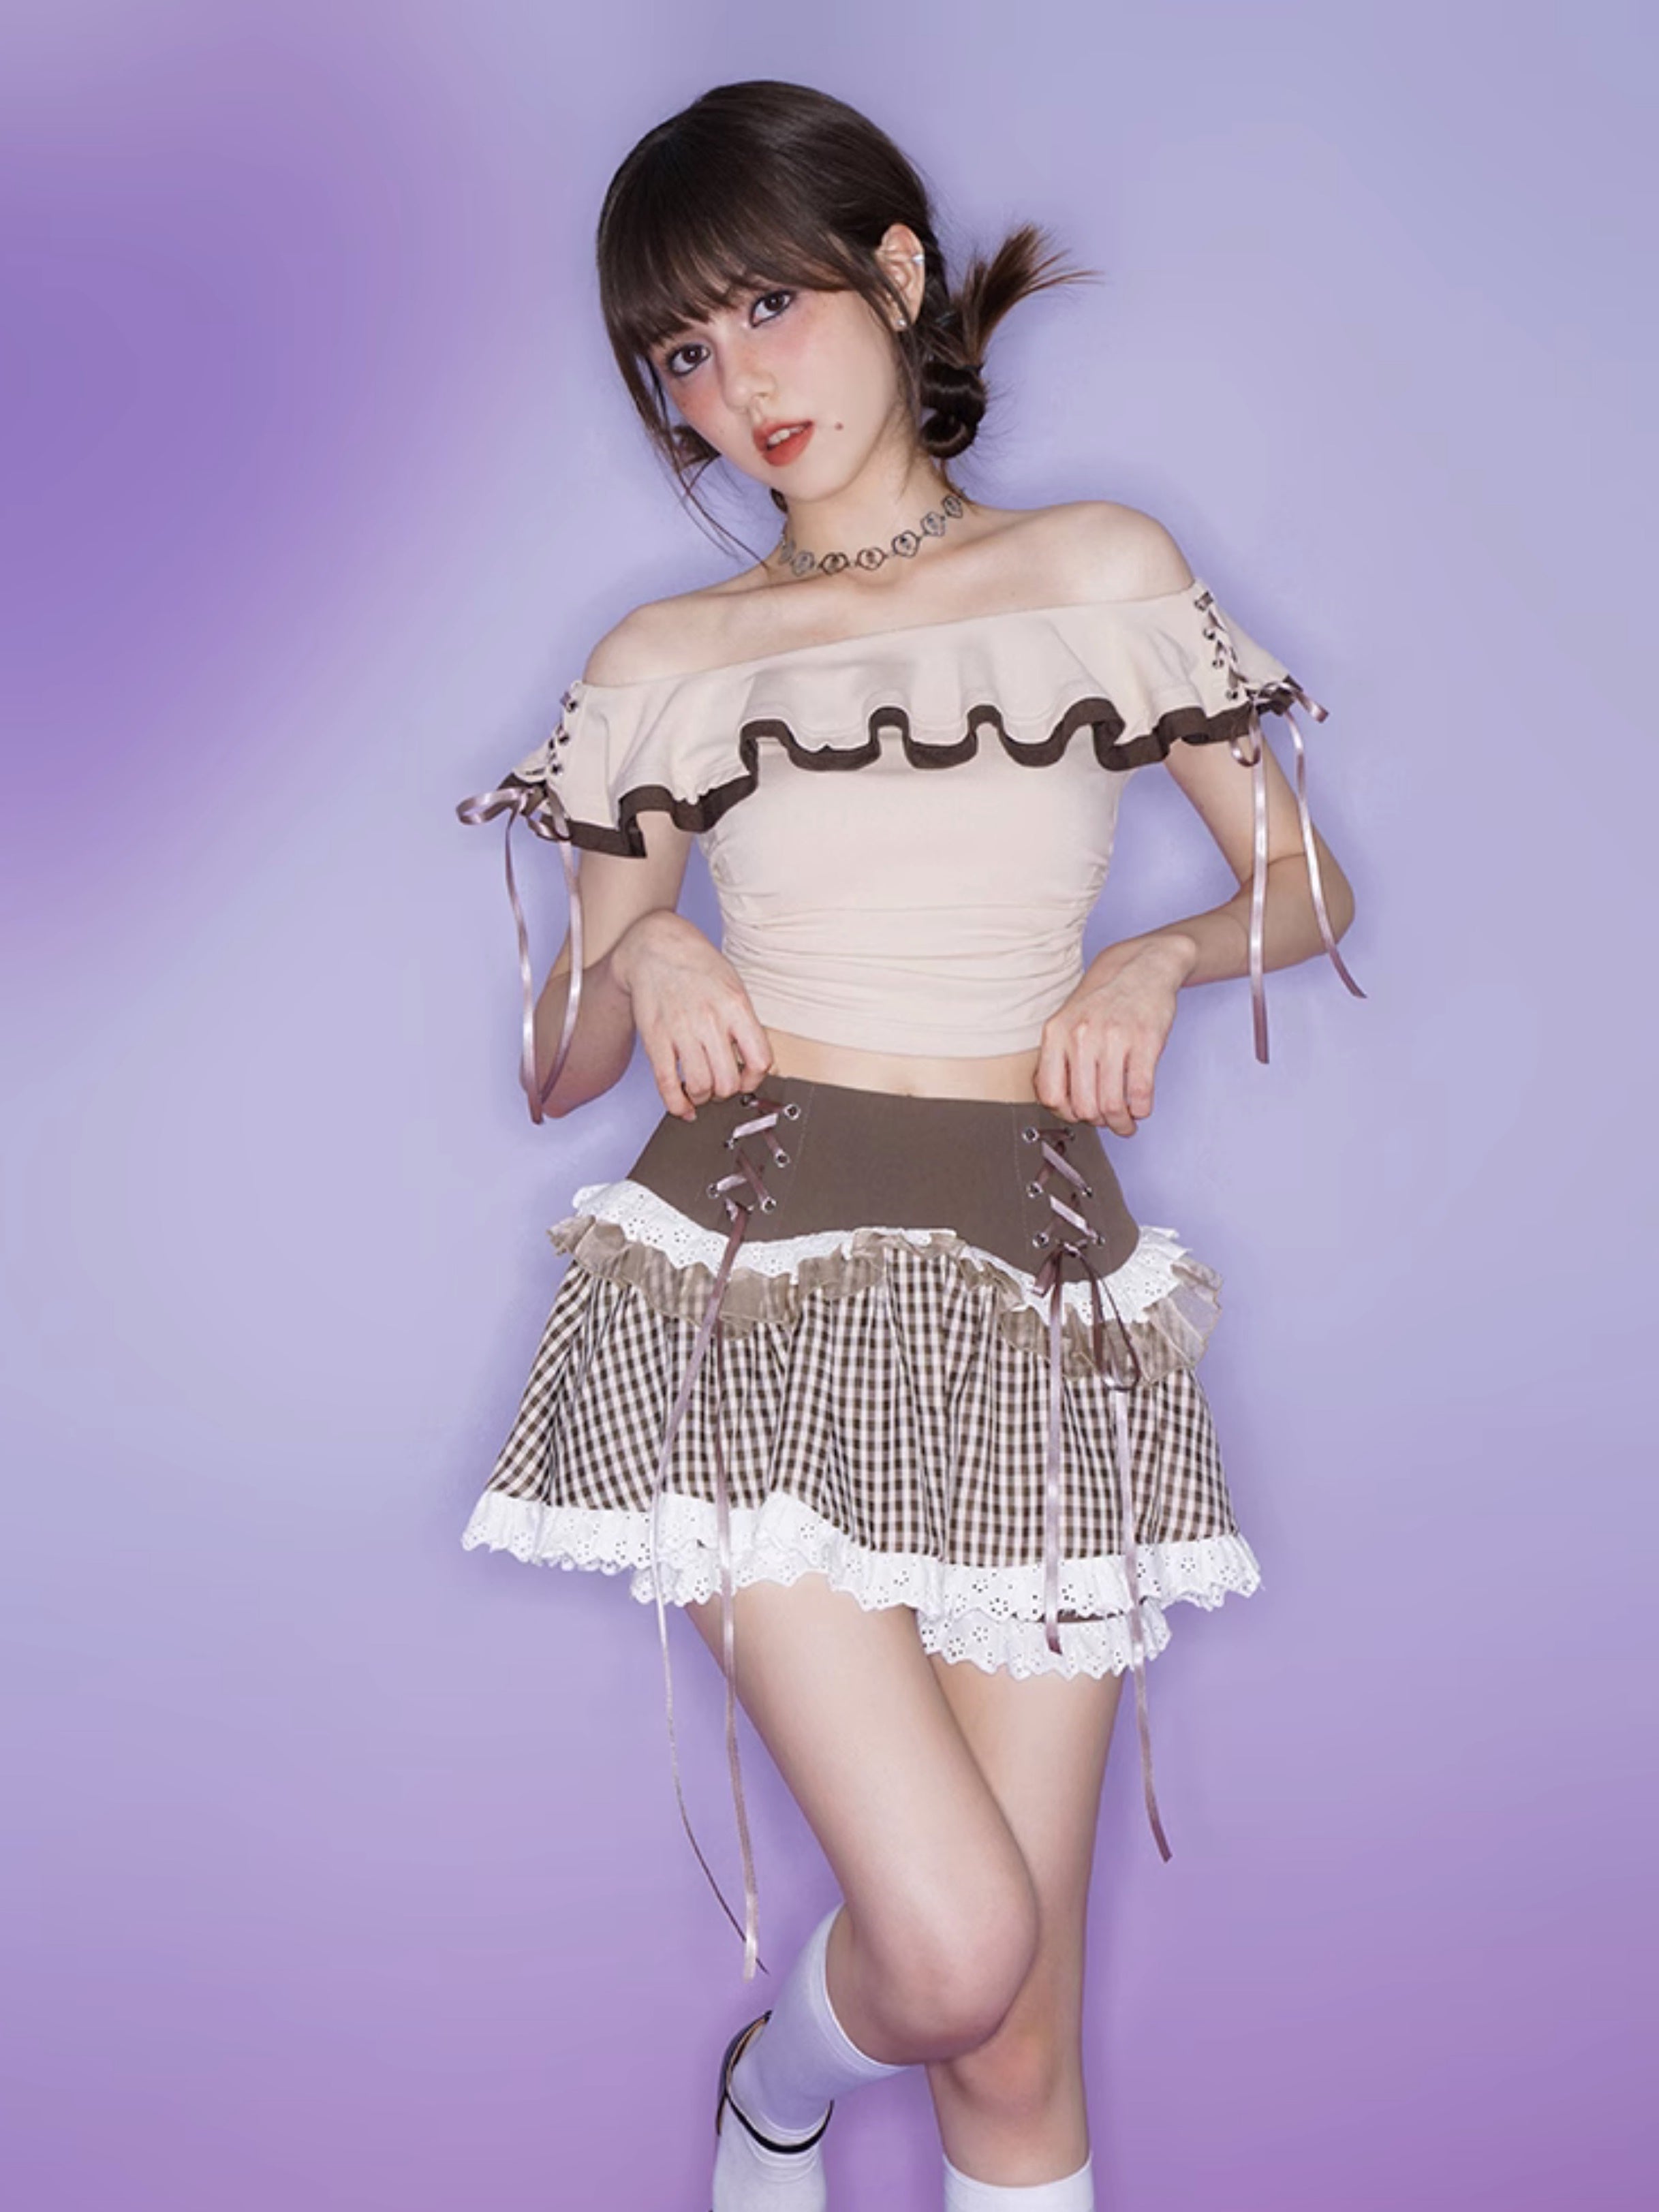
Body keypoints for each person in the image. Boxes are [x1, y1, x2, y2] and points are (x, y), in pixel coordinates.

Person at [457, 79, 1361, 2212]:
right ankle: (776, 2089)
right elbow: (559, 1065)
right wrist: (645, 941)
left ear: (891, 272)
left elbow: (1306, 888)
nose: (733, 385)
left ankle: (800, 2097)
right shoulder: (667, 661)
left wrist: (1153, 960)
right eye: (681, 352)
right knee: (949, 1948)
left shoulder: (1097, 571)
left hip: (1037, 1294)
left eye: (767, 306)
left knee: (1014, 2037)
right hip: (747, 1286)